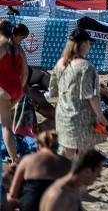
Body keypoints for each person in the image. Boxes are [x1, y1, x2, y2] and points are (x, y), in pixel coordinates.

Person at [50, 28, 108, 158]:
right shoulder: (86, 67)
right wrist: (101, 116)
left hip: (63, 114)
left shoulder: (60, 64)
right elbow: (92, 96)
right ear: (83, 44)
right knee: (86, 153)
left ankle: (55, 174)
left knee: (66, 152)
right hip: (82, 116)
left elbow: (53, 92)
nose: (90, 46)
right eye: (89, 43)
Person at [7, 130, 71, 211]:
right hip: (56, 206)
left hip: (31, 205)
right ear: (56, 146)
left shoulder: (27, 160)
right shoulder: (67, 164)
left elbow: (13, 194)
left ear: (38, 146)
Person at [38, 148, 106, 211]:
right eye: (98, 173)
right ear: (87, 171)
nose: (99, 176)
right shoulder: (60, 195)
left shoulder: (72, 188)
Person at [0, 19, 26, 163]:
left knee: (6, 127)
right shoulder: (18, 48)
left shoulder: (1, 46)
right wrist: (20, 89)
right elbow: (26, 72)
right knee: (6, 122)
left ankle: (14, 158)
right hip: (16, 88)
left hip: (3, 88)